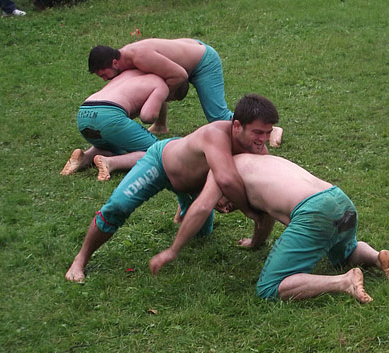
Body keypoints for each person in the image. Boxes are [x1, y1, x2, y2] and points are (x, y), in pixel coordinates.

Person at [65, 94, 279, 282]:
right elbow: (226, 181)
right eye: (258, 132)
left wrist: (255, 240)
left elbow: (263, 196)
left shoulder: (258, 150)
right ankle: (80, 259)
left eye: (267, 133)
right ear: (237, 126)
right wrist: (248, 211)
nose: (263, 139)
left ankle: (184, 205)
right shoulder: (216, 134)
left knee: (201, 234)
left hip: (195, 184)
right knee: (117, 207)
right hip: (162, 165)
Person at [149, 154, 389, 304]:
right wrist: (255, 242)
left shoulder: (221, 173)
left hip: (314, 210)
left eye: (221, 203)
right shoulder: (260, 161)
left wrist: (173, 250)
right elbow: (265, 218)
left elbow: (201, 208)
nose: (224, 208)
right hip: (340, 200)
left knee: (270, 288)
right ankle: (376, 258)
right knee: (345, 252)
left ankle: (344, 282)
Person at [87, 38, 283, 146]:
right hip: (188, 49)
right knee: (157, 82)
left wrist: (163, 95)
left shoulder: (140, 57)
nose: (105, 79)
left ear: (115, 62)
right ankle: (160, 125)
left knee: (218, 117)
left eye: (104, 74)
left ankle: (270, 129)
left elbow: (179, 75)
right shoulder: (126, 59)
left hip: (203, 62)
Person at [60, 69, 188, 181]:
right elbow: (147, 117)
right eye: (169, 99)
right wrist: (156, 103)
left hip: (84, 113)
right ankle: (110, 162)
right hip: (109, 114)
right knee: (158, 153)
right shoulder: (161, 86)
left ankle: (85, 157)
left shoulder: (131, 73)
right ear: (172, 88)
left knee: (116, 144)